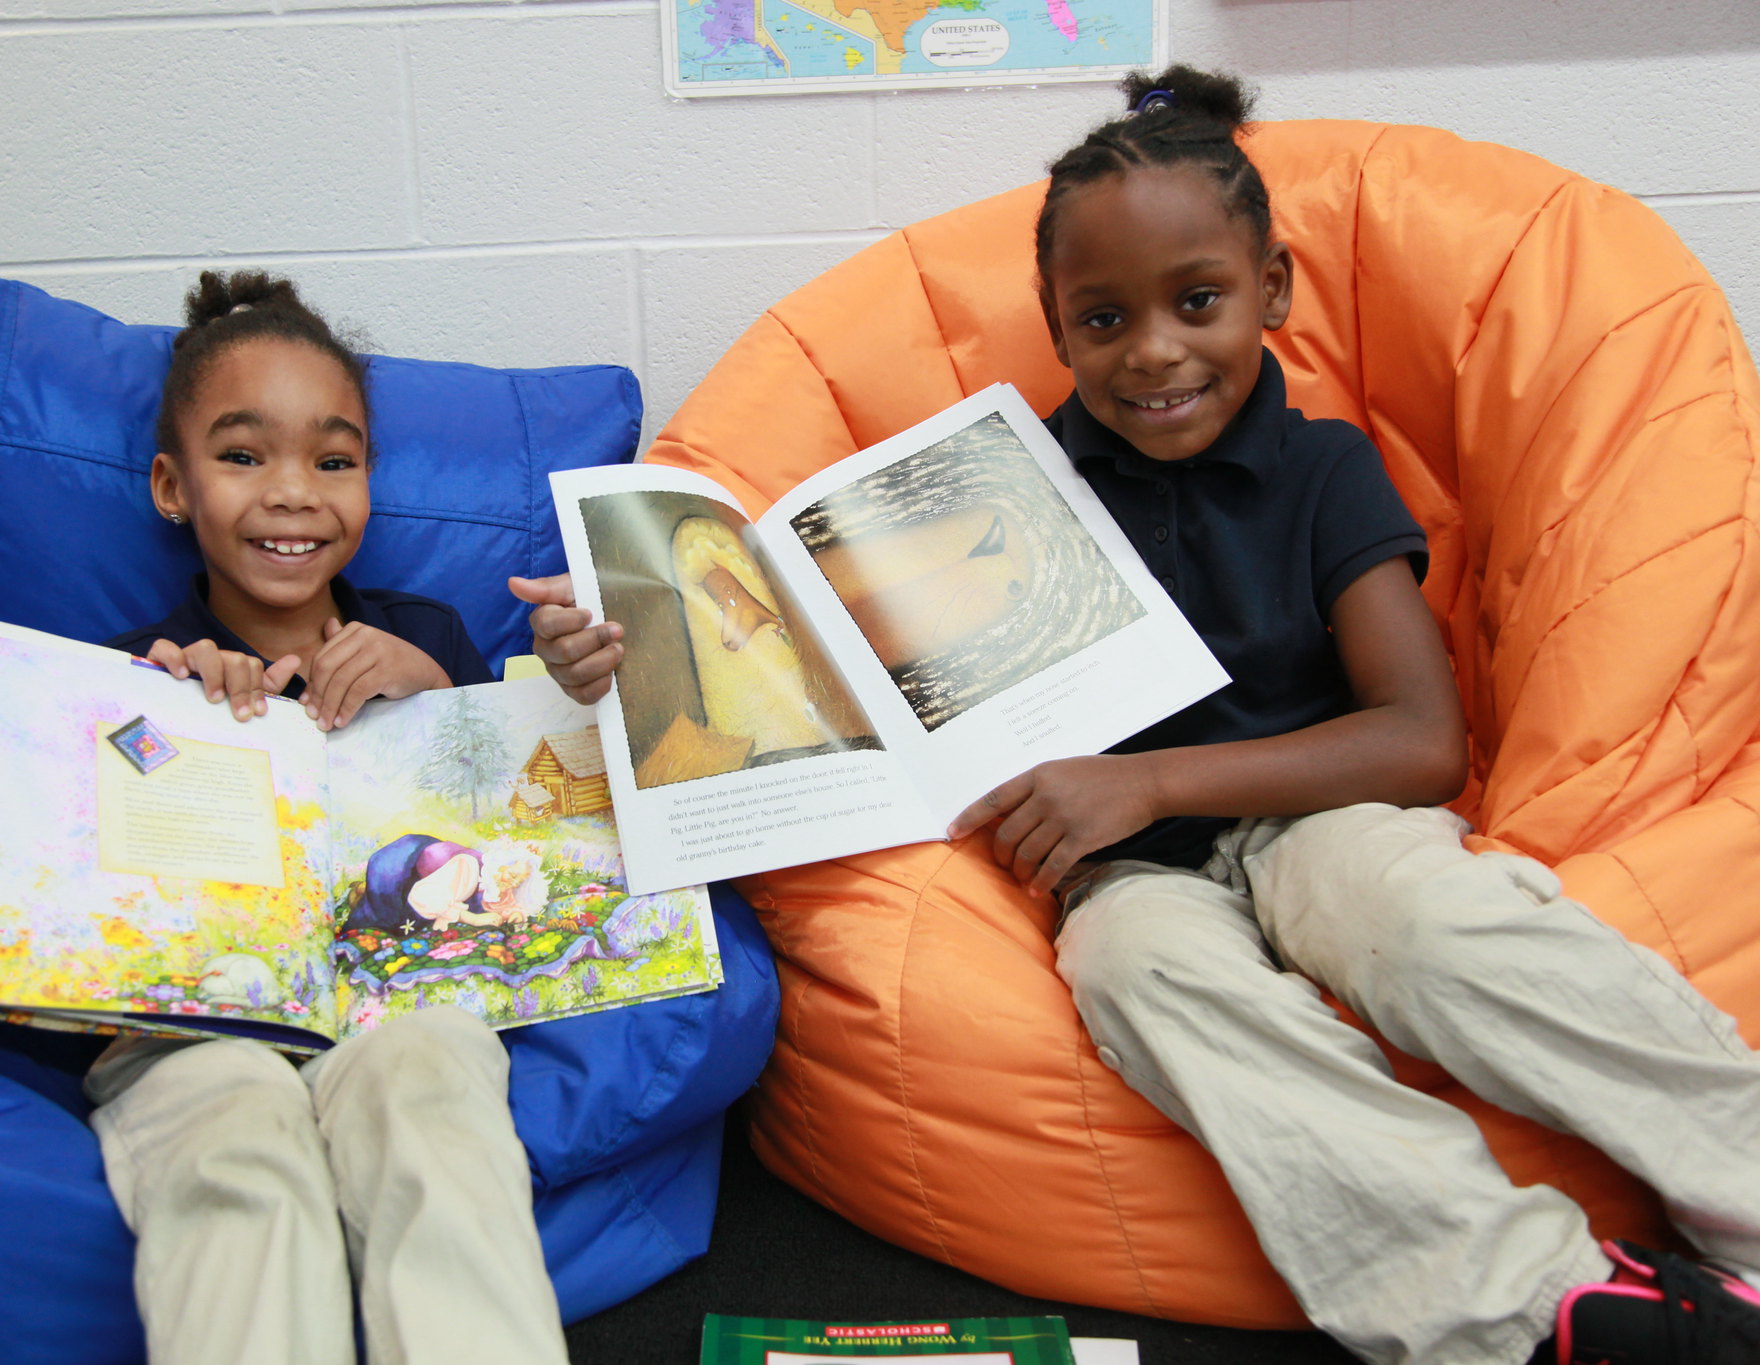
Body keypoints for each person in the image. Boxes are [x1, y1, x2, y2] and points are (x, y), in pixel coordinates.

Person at [515, 69, 1760, 1365]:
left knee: (1418, 914)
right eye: (1103, 318)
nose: (1154, 349)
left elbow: (1421, 742)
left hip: (1318, 814)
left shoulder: (1326, 470)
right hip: (1123, 877)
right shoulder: (999, 492)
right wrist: (627, 644)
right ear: (1057, 327)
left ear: (1273, 292)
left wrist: (1156, 785)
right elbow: (829, 677)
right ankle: (1540, 1304)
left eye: (1199, 302)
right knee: (1132, 968)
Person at [88, 270, 569, 1365]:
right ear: (173, 485)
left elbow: (521, 875)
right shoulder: (131, 674)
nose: (294, 493)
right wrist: (154, 717)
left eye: (333, 461)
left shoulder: (427, 635)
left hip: (397, 1004)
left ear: (367, 482)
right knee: (236, 1129)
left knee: (435, 1079)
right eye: (243, 455)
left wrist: (444, 702)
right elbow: (87, 926)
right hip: (194, 1029)